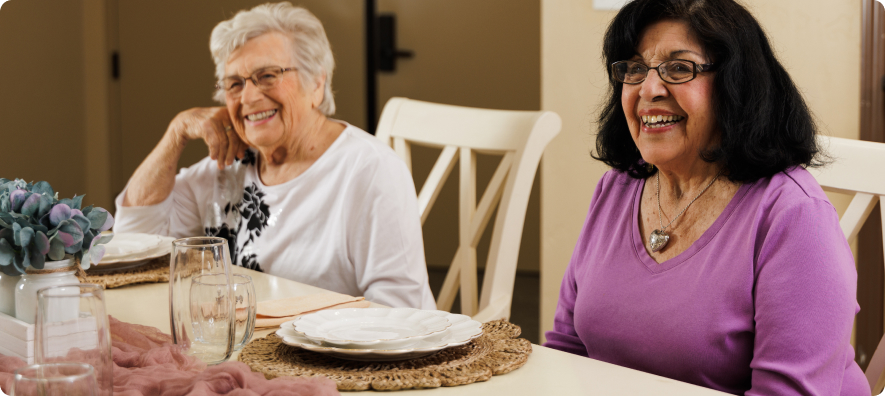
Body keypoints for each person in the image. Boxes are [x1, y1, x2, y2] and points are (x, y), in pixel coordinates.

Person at [543, 0, 869, 394]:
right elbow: (566, 350)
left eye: (679, 68)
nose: (648, 89)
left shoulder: (796, 215)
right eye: (634, 68)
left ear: (737, 85)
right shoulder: (616, 188)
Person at [113, 2, 435, 310]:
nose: (249, 97)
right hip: (246, 354)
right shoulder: (230, 164)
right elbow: (135, 239)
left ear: (316, 83)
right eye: (235, 84)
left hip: (335, 362)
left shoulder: (369, 170)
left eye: (267, 76)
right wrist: (176, 132)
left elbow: (399, 313)